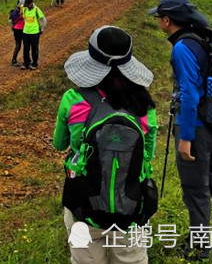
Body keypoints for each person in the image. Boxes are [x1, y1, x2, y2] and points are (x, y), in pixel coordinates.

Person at [148, 0, 212, 261]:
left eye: (159, 18)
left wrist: (185, 138)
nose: (157, 21)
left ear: (168, 20)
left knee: (195, 190)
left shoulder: (181, 48)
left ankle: (199, 248)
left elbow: (189, 94)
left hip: (196, 128)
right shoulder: (204, 40)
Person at [54, 25, 157, 264]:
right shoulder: (144, 106)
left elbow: (59, 144)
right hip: (131, 203)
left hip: (83, 202)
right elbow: (147, 154)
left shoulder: (73, 99)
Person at [21, 0, 46, 69]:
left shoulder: (36, 10)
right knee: (26, 48)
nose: (26, 6)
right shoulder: (25, 9)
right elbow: (24, 18)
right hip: (26, 32)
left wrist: (42, 29)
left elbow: (42, 20)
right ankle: (26, 63)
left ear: (31, 3)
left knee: (34, 48)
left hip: (34, 32)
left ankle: (35, 63)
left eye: (27, 4)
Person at [9, 0, 25, 67]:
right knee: (20, 45)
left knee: (19, 45)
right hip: (20, 30)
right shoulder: (16, 12)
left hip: (18, 30)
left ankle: (14, 59)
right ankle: (14, 59)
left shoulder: (14, 11)